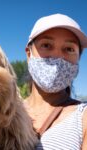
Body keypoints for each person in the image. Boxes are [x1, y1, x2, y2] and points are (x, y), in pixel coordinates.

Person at [24, 13, 87, 150]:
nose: (57, 57)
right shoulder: (1, 112)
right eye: (46, 45)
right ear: (29, 54)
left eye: (69, 49)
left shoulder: (83, 118)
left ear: (78, 60)